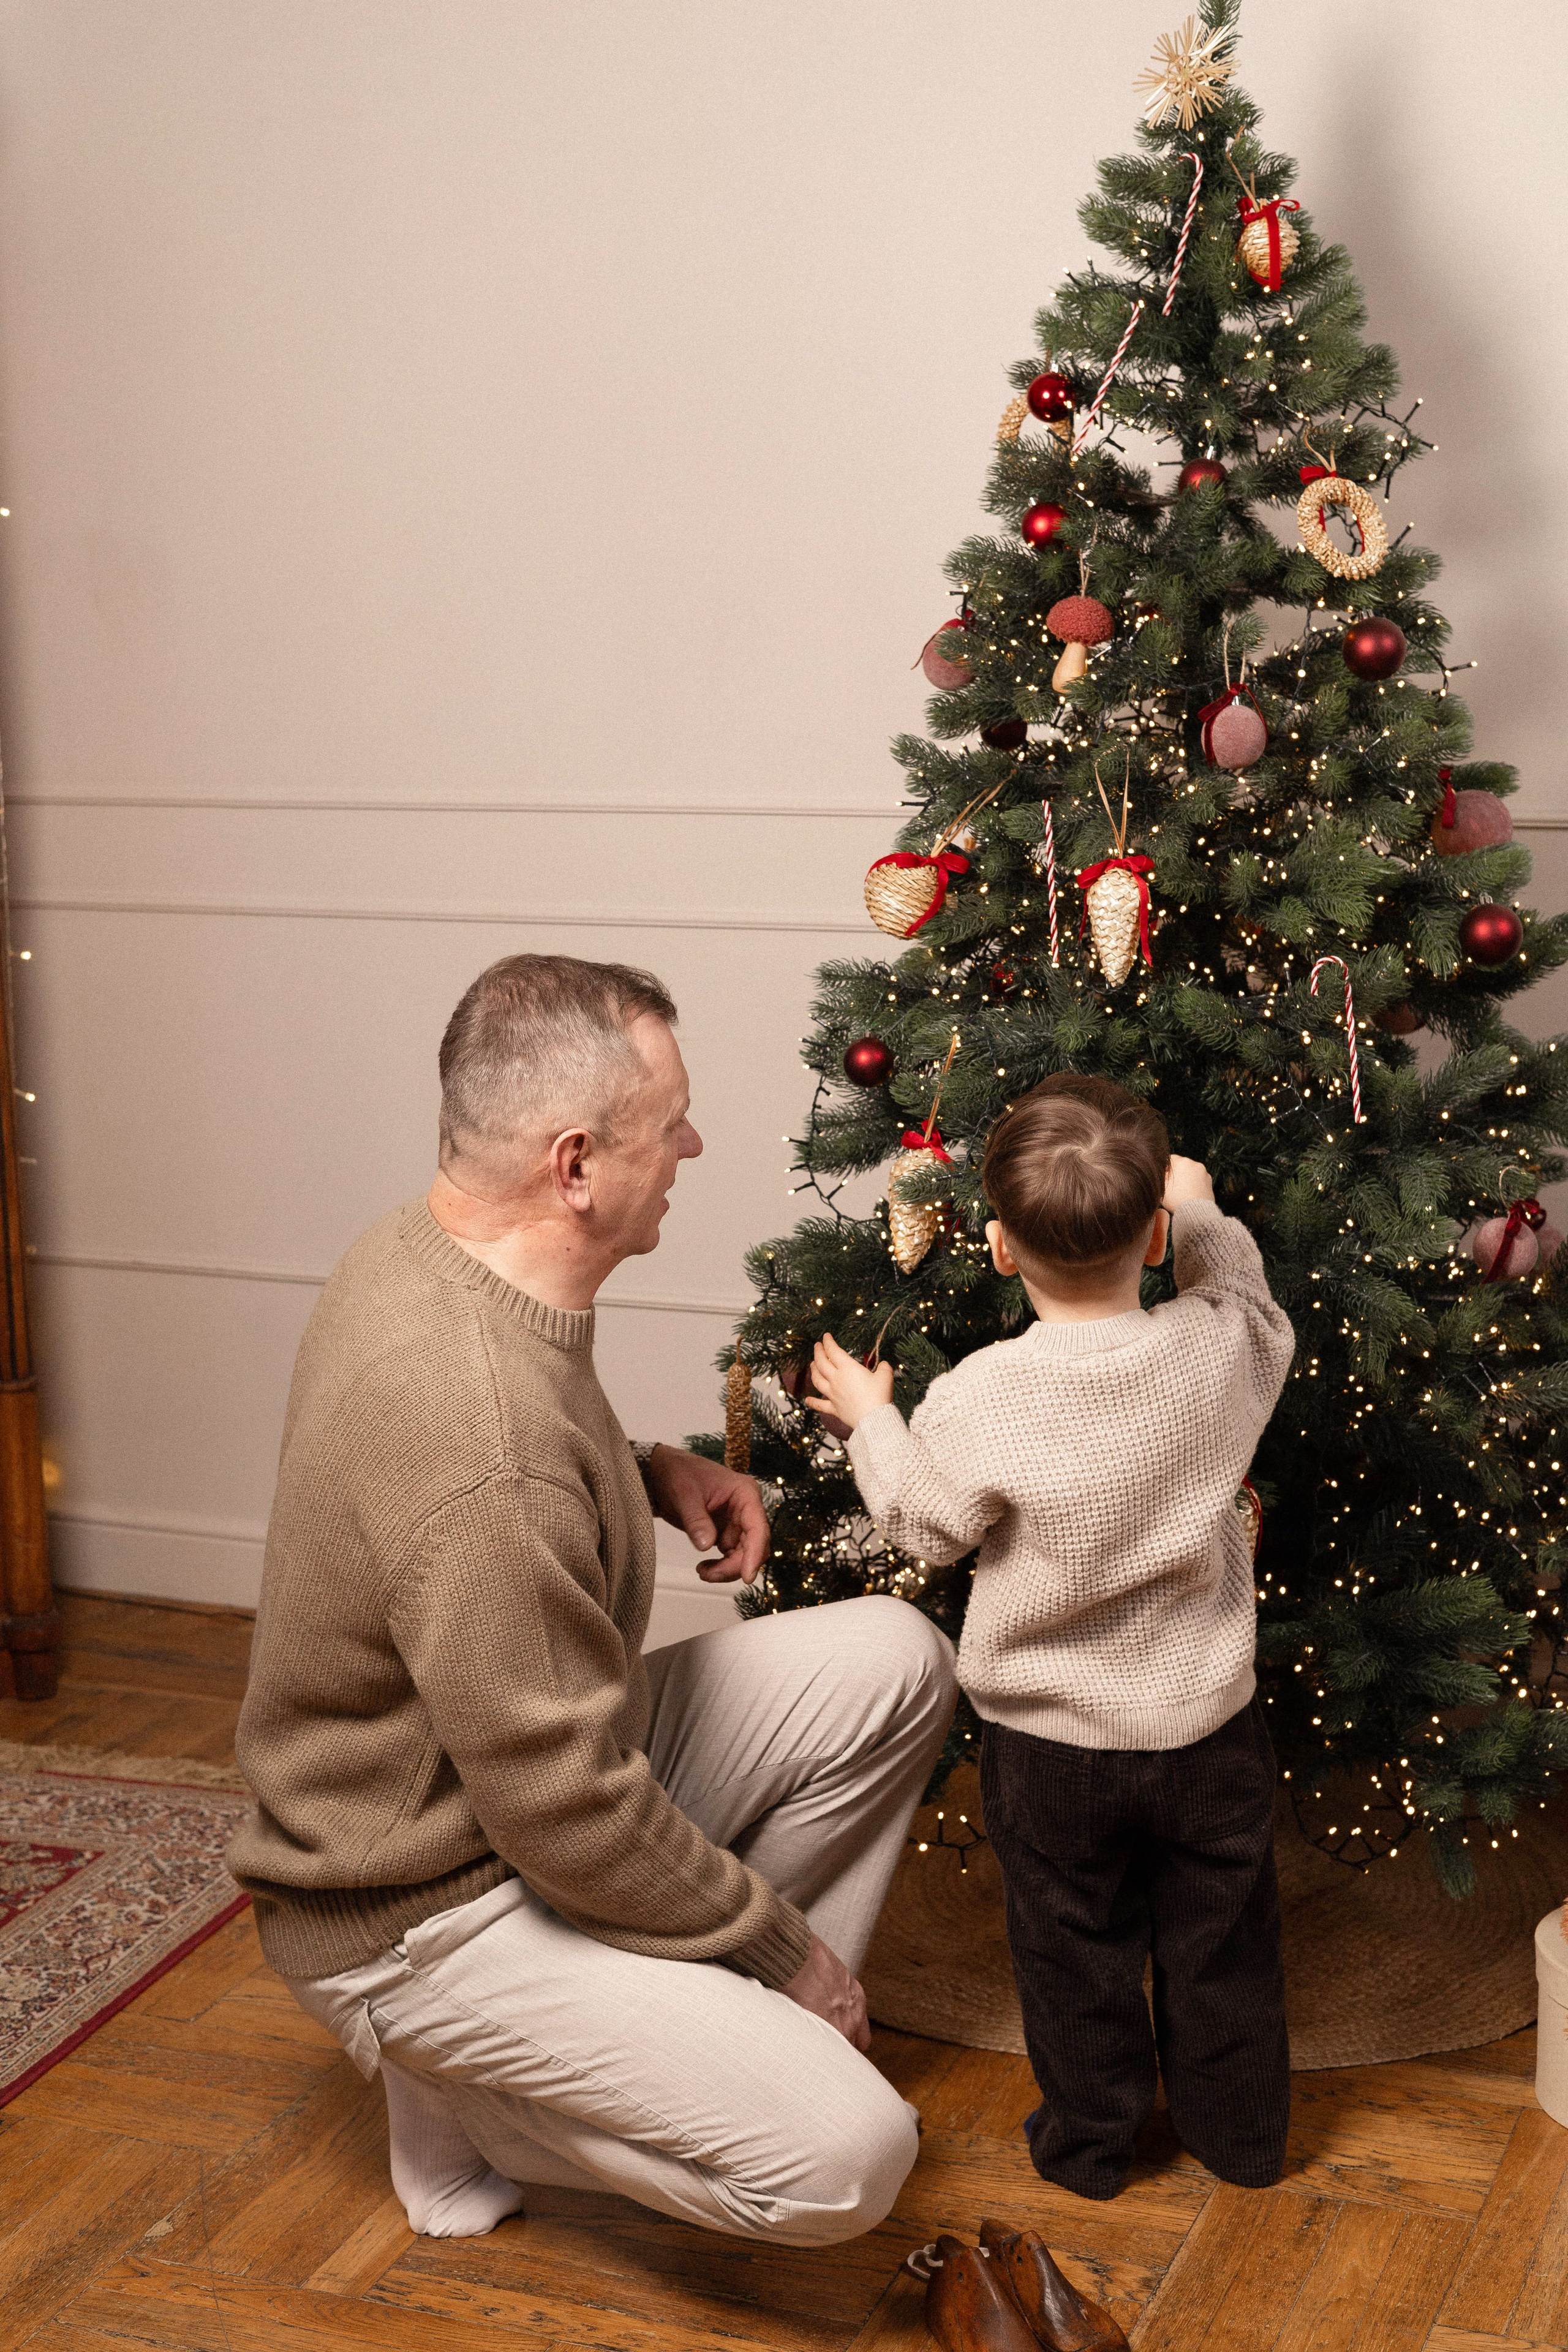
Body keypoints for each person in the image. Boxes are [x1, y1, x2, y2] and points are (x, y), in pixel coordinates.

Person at [229, 952, 956, 2246]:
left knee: (895, 1658)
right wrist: (787, 1955)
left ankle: (681, 2018)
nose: (689, 1141)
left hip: (498, 1800)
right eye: (662, 1123)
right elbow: (560, 1804)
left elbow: (460, 1511)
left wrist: (643, 1473)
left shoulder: (425, 1256)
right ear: (574, 1167)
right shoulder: (479, 1427)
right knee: (848, 2160)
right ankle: (469, 2088)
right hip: (418, 1906)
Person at [805, 1071, 1295, 2203]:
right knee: (1224, 1946)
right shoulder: (1217, 1348)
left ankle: (1089, 2147)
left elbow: (927, 1529)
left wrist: (876, 1424)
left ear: (995, 1248)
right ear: (1158, 1234)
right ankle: (1243, 2140)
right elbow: (1258, 1307)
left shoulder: (983, 1395)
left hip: (1047, 1745)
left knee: (1073, 1954)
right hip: (1204, 1725)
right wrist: (1206, 1214)